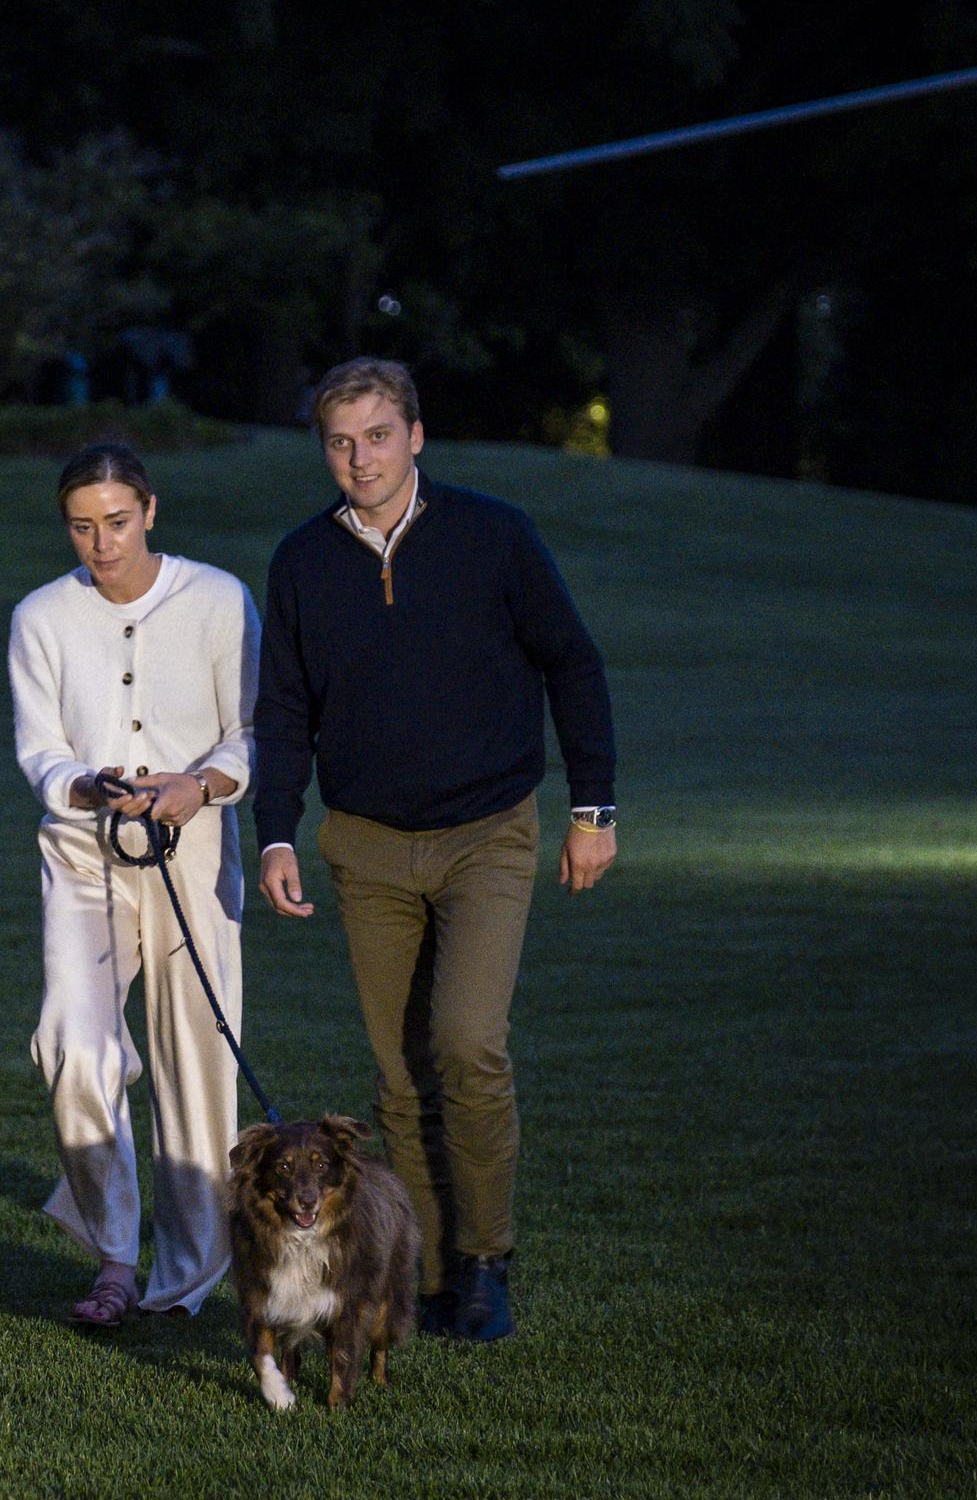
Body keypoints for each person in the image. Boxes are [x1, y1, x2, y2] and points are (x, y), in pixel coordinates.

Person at [255, 357, 618, 1344]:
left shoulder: (494, 536)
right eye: (340, 441)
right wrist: (276, 833)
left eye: (378, 435)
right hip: (366, 843)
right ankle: (419, 1267)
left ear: (415, 436)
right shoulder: (301, 561)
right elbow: (284, 709)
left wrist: (595, 806)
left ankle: (487, 1259)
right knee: (399, 1073)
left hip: (486, 831)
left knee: (466, 1041)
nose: (360, 458)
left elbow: (571, 662)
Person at [8, 442, 260, 1325]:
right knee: (72, 1044)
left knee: (198, 1064)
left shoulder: (221, 599)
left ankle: (186, 1277)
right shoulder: (40, 616)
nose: (101, 544)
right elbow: (39, 747)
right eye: (82, 527)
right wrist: (84, 784)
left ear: (150, 511)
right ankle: (115, 1252)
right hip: (83, 851)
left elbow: (253, 730)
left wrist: (196, 786)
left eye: (116, 522)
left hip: (192, 850)